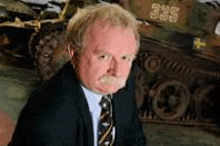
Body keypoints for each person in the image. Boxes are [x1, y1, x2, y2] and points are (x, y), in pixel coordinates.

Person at [8, 3, 147, 146]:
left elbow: (133, 138)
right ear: (74, 55)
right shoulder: (49, 115)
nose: (117, 71)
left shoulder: (120, 82)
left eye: (125, 58)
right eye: (103, 57)